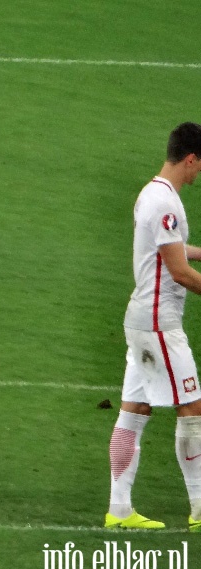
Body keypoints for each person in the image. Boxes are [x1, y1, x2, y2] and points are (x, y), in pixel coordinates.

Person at [105, 122, 201, 531]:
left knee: (135, 409)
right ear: (191, 159)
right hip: (160, 323)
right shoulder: (166, 203)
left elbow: (169, 250)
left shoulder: (153, 192)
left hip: (141, 319)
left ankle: (119, 510)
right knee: (193, 408)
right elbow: (178, 271)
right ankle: (199, 507)